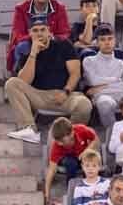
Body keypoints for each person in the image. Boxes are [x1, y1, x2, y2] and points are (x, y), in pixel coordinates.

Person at [5, 16, 92, 144]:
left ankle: (69, 137)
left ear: (49, 31)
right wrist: (34, 53)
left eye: (42, 29)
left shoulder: (64, 45)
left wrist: (66, 91)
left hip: (65, 95)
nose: (39, 33)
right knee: (12, 83)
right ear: (29, 33)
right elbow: (24, 82)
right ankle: (29, 129)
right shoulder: (26, 52)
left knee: (84, 105)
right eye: (35, 30)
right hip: (39, 96)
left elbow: (75, 73)